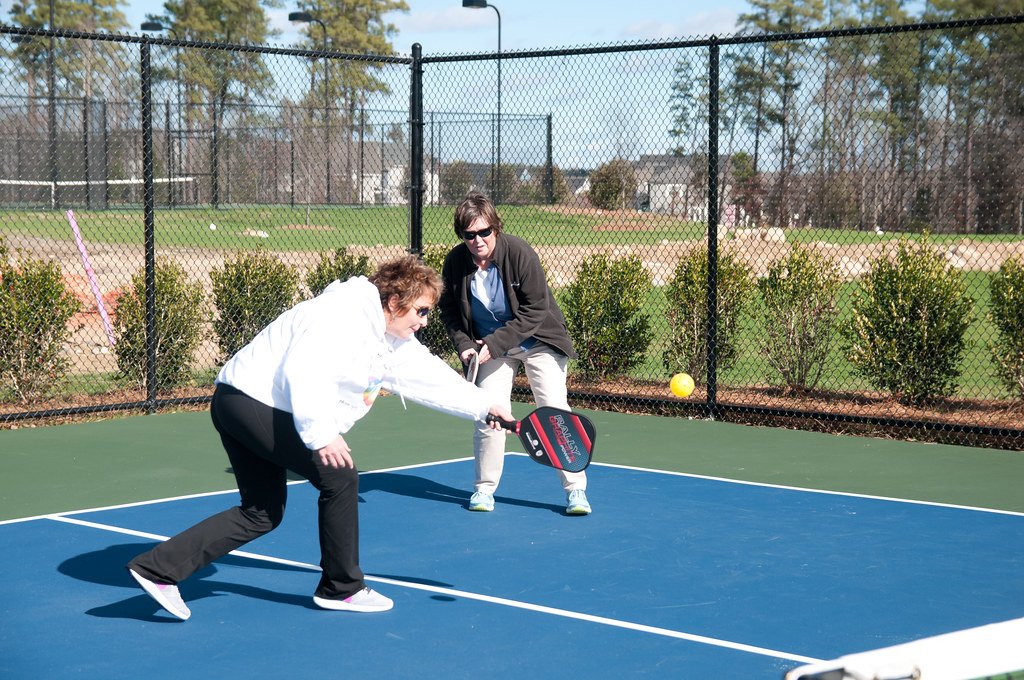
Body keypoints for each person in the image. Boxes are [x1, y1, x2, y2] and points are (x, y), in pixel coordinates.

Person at [126, 255, 514, 621]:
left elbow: (428, 375)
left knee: (262, 512)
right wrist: (321, 435)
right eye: (421, 311)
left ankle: (158, 569)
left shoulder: (388, 337)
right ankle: (340, 587)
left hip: (243, 404)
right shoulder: (341, 316)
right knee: (339, 475)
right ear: (395, 301)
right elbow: (306, 369)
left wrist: (484, 407)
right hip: (251, 402)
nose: (425, 321)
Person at [438, 191, 591, 516]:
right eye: (469, 234)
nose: (477, 240)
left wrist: (493, 345)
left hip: (538, 341)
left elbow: (536, 310)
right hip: (490, 349)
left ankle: (576, 489)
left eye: (484, 232)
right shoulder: (455, 263)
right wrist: (466, 346)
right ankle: (484, 490)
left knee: (554, 411)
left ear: (496, 228)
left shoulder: (520, 254)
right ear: (462, 235)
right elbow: (449, 311)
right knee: (489, 413)